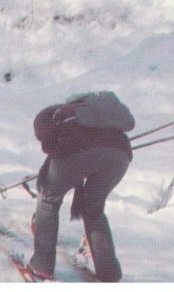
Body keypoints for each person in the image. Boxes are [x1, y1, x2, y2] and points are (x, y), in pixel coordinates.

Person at [28, 91, 135, 282]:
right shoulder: (109, 111)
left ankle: (42, 266)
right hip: (119, 155)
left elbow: (49, 142)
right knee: (93, 208)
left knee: (48, 199)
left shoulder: (60, 113)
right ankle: (108, 273)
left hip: (75, 153)